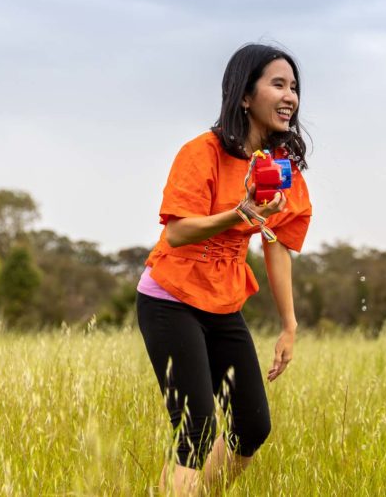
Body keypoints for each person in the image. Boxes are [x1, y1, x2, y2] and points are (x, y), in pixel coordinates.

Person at [136, 43, 312, 496]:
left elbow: (276, 244)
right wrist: (240, 213)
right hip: (170, 300)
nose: (290, 95)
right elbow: (177, 232)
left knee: (251, 427)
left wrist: (289, 325)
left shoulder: (279, 167)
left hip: (221, 301)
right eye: (278, 84)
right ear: (245, 96)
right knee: (194, 428)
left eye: (294, 86)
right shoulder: (203, 153)